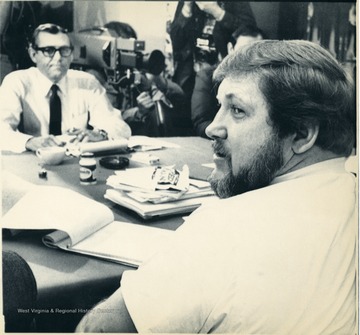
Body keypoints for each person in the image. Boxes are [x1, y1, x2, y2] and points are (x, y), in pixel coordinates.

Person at [75, 40, 356, 333]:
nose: (212, 127)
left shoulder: (226, 227)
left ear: (301, 133)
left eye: (237, 110)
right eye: (219, 106)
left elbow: (97, 330)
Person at [0, 23, 131, 153]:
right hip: (31, 163)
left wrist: (101, 134)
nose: (58, 58)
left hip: (75, 163)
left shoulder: (87, 82)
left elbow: (120, 127)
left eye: (64, 50)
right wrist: (29, 141)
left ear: (72, 55)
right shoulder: (17, 82)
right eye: (49, 51)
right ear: (33, 54)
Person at [170, 1, 256, 132]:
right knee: (185, 124)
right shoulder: (188, 3)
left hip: (223, 72)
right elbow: (176, 41)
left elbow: (249, 32)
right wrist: (187, 8)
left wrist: (217, 12)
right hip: (191, 73)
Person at [103, 21, 185, 136]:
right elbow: (108, 118)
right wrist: (138, 112)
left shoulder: (138, 76)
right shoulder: (102, 78)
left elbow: (179, 95)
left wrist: (157, 82)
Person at [192, 25, 264, 137]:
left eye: (257, 53)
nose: (251, 59)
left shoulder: (267, 82)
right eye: (244, 51)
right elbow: (201, 123)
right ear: (231, 49)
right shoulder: (207, 77)